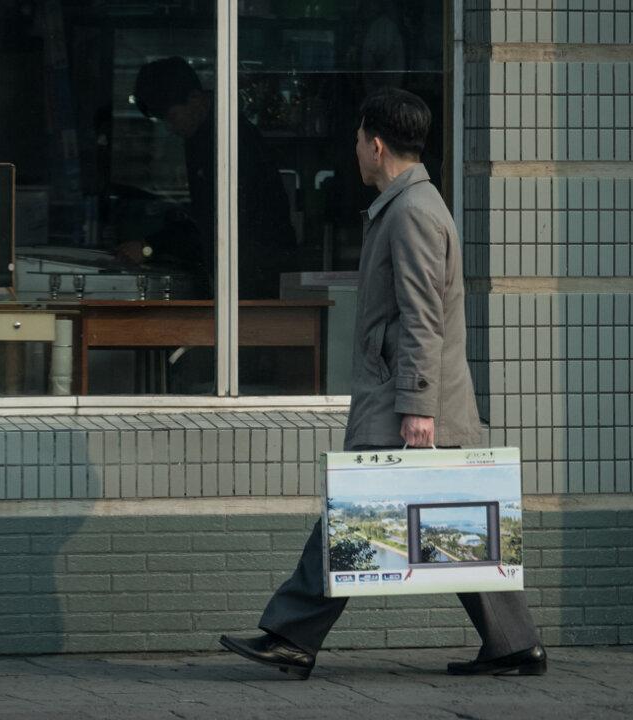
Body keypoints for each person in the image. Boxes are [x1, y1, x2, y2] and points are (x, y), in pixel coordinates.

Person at [218, 88, 547, 679]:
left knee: (351, 519)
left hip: (409, 407)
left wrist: (416, 407)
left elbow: (422, 316)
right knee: (459, 531)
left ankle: (292, 636)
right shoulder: (410, 204)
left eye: (356, 142)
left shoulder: (413, 212)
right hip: (417, 401)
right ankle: (514, 643)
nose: (354, 153)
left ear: (374, 143)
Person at [130, 57, 297, 300]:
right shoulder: (203, 135)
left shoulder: (229, 140)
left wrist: (150, 247)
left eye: (172, 117)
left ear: (196, 99)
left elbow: (215, 221)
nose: (170, 129)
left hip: (256, 274)